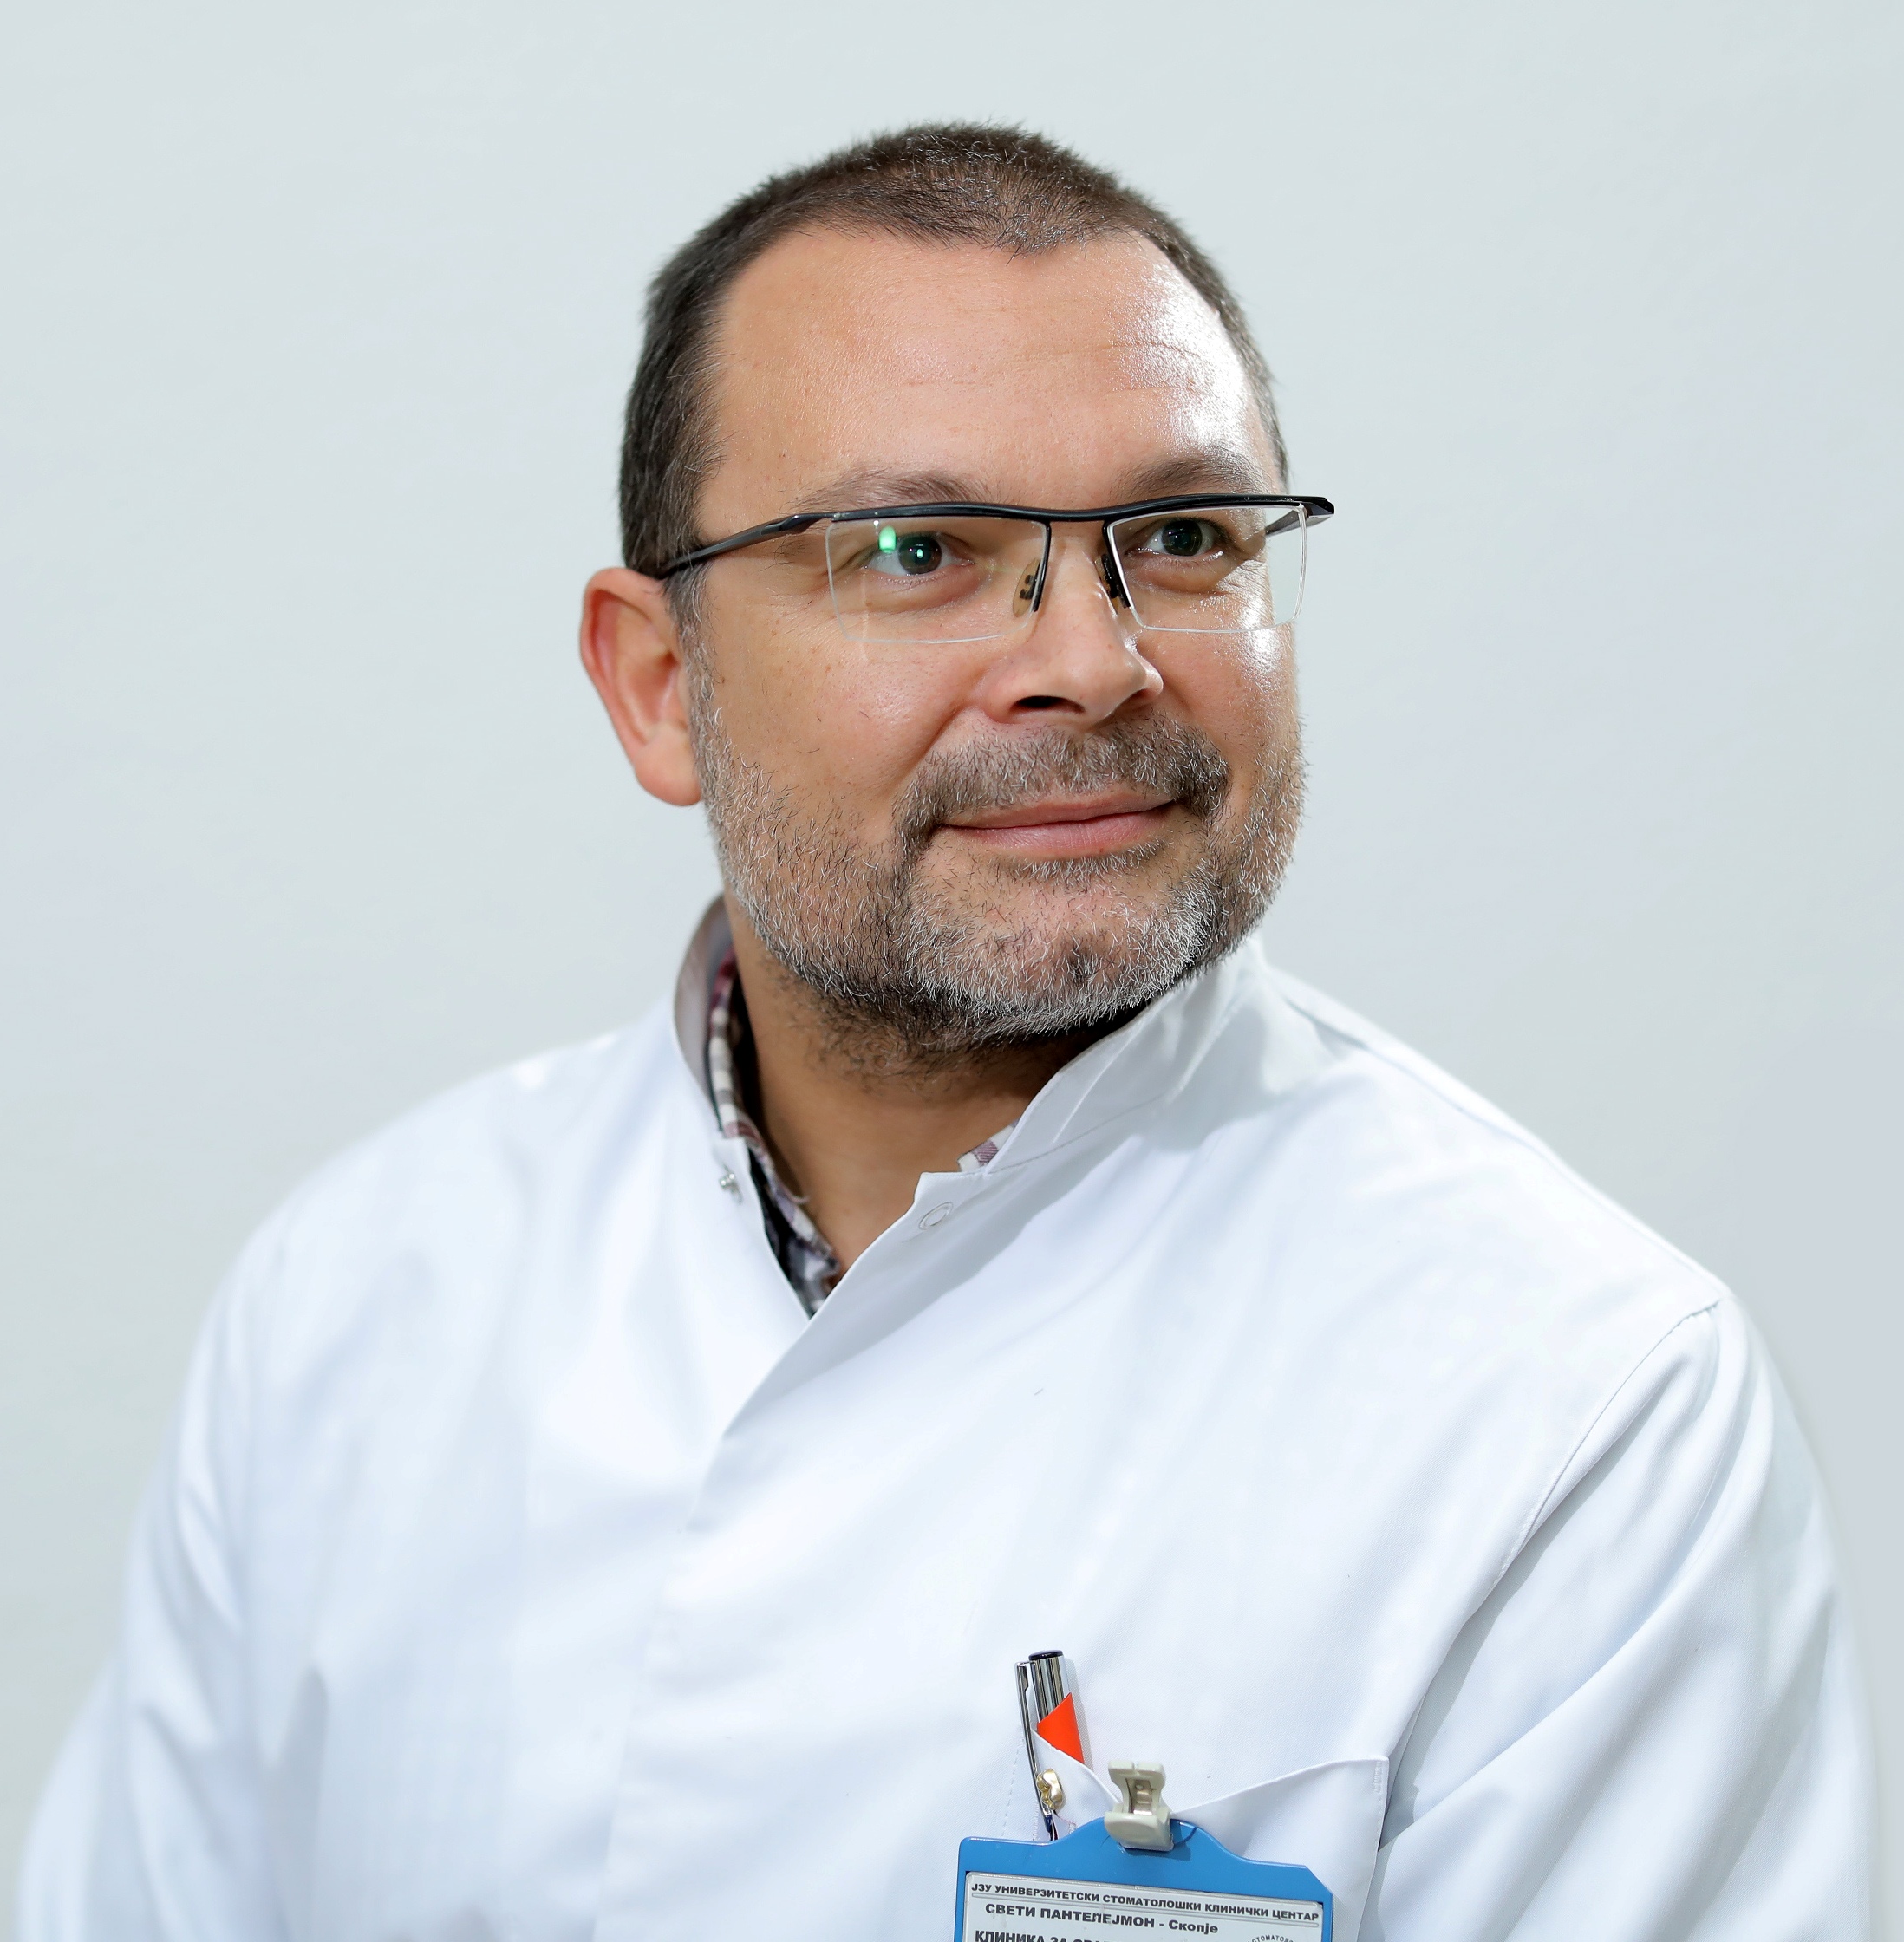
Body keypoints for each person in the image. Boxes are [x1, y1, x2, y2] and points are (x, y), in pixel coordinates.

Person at [18, 124, 1869, 1941]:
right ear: (660, 685)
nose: (1093, 662)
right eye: (916, 549)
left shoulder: (1581, 1403)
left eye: (1185, 535)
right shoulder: (354, 1305)